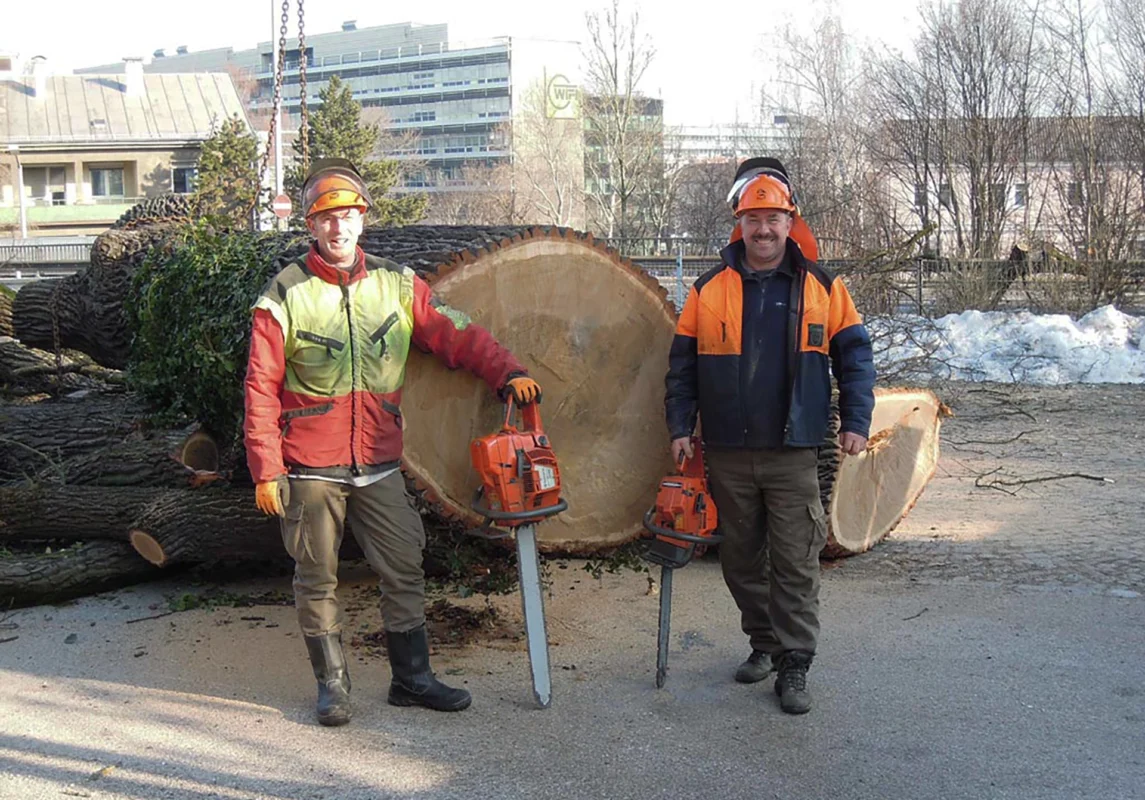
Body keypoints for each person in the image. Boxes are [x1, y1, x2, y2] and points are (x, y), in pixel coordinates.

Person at [243, 158, 541, 726]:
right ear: (310, 226)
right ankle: (332, 686)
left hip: (378, 461)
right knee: (316, 576)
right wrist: (266, 469)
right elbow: (260, 387)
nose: (339, 227)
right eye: (327, 218)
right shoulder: (283, 295)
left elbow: (456, 333)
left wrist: (506, 372)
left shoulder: (398, 285)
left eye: (349, 215)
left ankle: (413, 678)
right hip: (310, 467)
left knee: (405, 564)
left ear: (363, 220)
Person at [663, 159, 875, 714]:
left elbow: (856, 358)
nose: (764, 230)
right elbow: (681, 369)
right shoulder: (708, 290)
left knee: (796, 560)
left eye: (774, 218)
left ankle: (795, 664)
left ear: (790, 221)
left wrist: (856, 419)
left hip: (793, 450)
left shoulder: (825, 288)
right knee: (740, 560)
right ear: (740, 222)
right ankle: (764, 643)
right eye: (754, 218)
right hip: (729, 452)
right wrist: (680, 427)